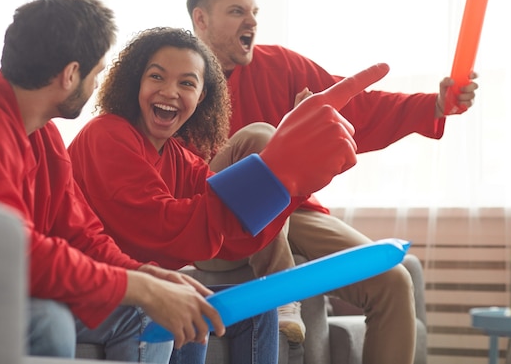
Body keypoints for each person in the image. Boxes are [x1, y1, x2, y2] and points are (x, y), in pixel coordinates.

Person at [0, 0, 388, 363]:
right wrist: (281, 170)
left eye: (188, 83)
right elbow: (18, 253)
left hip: (33, 281)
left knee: (206, 306)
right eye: (98, 71)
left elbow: (86, 235)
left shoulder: (45, 135)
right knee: (60, 318)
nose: (97, 83)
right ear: (72, 75)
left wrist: (289, 179)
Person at [185, 0, 480, 364]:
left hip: (293, 209)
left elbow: (356, 106)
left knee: (392, 280)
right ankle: (280, 289)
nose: (252, 20)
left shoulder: (281, 67)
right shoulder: (176, 80)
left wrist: (435, 104)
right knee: (261, 143)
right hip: (216, 215)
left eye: (255, 11)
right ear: (201, 20)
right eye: (237, 11)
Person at [67, 27, 389, 364]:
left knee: (256, 312)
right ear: (135, 83)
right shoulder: (107, 135)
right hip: (92, 289)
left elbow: (235, 235)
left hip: (137, 287)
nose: (170, 91)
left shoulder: (180, 159)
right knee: (171, 307)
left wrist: (296, 180)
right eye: (157, 77)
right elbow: (165, 230)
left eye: (187, 83)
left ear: (202, 97)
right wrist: (283, 167)